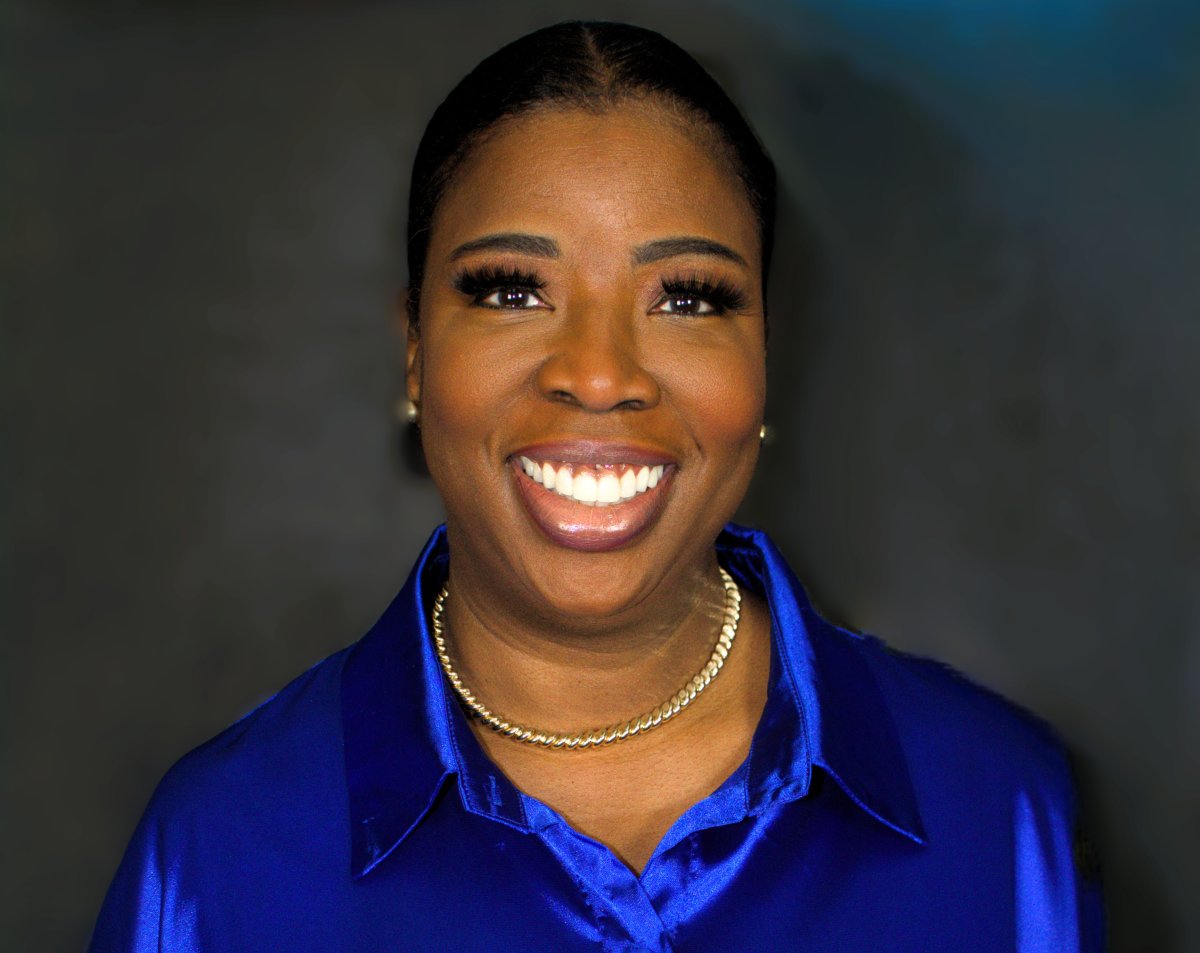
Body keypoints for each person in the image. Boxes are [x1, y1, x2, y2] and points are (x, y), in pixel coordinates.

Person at [90, 20, 1103, 952]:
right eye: (512, 289)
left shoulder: (999, 809)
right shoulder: (218, 856)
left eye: (687, 298)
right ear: (414, 352)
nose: (600, 373)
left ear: (763, 358)